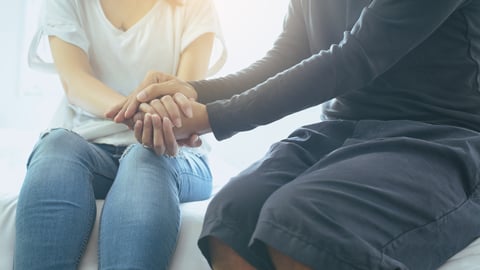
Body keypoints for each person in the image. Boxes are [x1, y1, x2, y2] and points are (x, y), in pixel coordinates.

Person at [107, 0, 480, 269]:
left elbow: (356, 56)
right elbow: (288, 55)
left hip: (441, 136)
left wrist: (213, 116)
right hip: (344, 130)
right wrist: (193, 93)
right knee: (232, 216)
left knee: (303, 223)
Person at [14, 0, 225, 269]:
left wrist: (147, 117)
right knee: (56, 146)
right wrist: (138, 113)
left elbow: (184, 98)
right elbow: (74, 82)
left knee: (144, 159)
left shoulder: (194, 6)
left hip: (167, 148)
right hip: (86, 143)